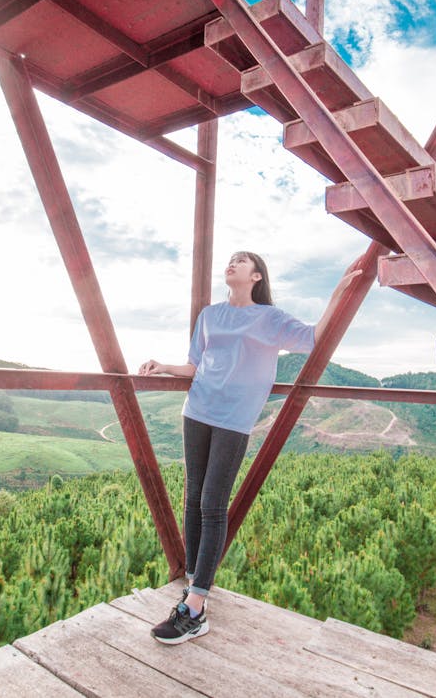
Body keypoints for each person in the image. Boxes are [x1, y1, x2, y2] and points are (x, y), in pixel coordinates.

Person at [139, 251, 362, 645]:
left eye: (241, 261)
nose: (231, 263)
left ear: (256, 275)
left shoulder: (269, 319)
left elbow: (313, 337)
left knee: (211, 503)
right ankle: (194, 582)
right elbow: (195, 364)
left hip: (233, 419)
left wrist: (338, 292)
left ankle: (195, 608)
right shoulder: (209, 315)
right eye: (229, 259)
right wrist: (163, 366)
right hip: (197, 410)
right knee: (193, 498)